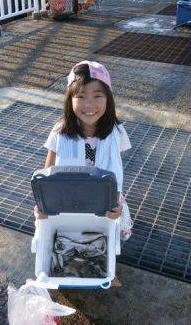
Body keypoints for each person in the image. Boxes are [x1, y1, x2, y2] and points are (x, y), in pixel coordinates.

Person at [33, 61, 134, 241]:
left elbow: (116, 167)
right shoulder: (59, 131)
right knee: (57, 229)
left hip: (102, 197)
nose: (89, 105)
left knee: (112, 226)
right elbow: (49, 168)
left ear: (108, 99)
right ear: (69, 99)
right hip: (68, 197)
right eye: (80, 96)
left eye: (97, 96)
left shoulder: (116, 133)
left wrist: (115, 201)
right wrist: (44, 202)